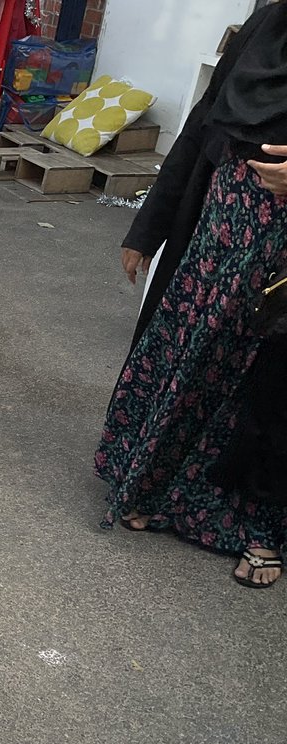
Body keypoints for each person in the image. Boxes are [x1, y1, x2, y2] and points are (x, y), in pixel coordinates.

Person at [99, 2, 287, 588]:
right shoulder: (267, 27)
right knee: (194, 358)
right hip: (216, 242)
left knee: (266, 388)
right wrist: (148, 228)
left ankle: (262, 528)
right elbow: (203, 123)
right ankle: (160, 490)